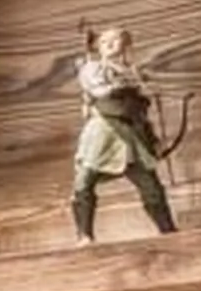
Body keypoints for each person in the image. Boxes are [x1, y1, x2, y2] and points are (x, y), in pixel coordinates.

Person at [70, 25, 179, 239]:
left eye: (115, 40)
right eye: (104, 41)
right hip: (104, 130)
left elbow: (142, 106)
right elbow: (99, 90)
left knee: (151, 185)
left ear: (126, 44)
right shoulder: (93, 68)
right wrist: (122, 87)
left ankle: (168, 231)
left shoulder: (133, 72)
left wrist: (153, 138)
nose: (110, 44)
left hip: (132, 133)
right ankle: (85, 235)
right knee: (84, 180)